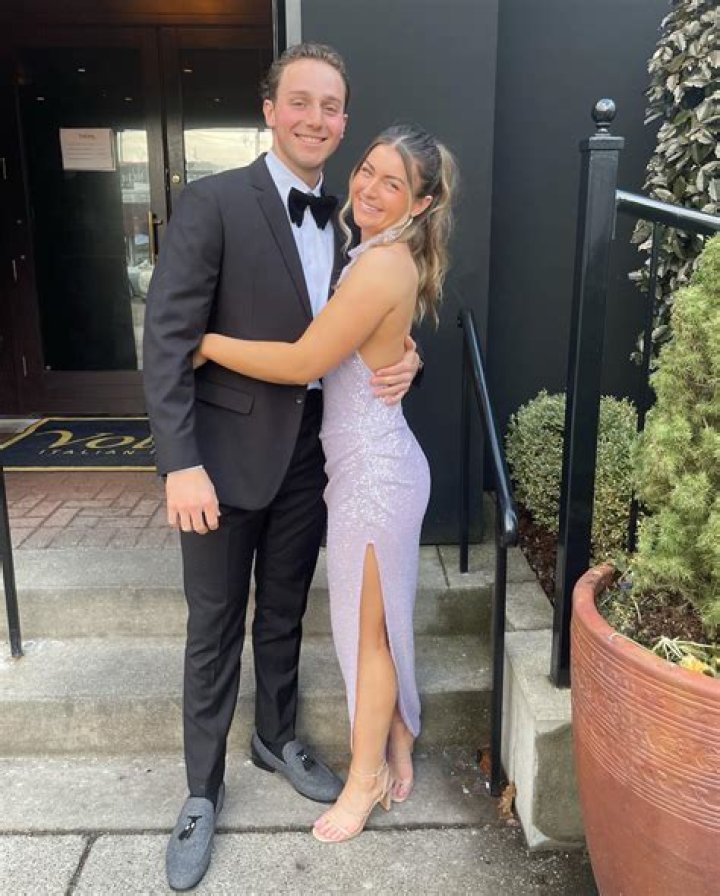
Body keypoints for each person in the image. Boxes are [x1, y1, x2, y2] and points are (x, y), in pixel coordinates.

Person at [143, 43, 421, 890]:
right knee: (214, 626)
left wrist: (411, 362)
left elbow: (362, 332)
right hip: (221, 464)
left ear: (344, 121)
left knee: (285, 612)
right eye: (299, 101)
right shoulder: (213, 203)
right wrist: (179, 464)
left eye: (331, 107)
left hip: (311, 462)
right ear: (269, 110)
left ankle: (276, 736)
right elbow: (166, 341)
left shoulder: (349, 224)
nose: (315, 119)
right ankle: (201, 791)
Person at [194, 123, 457, 843]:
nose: (368, 187)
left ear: (421, 203)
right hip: (365, 469)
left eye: (392, 183)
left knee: (366, 639)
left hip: (374, 480)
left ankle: (363, 780)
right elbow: (375, 348)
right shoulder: (372, 250)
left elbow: (304, 360)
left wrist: (206, 342)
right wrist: (408, 358)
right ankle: (398, 734)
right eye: (367, 169)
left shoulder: (380, 265)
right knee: (375, 629)